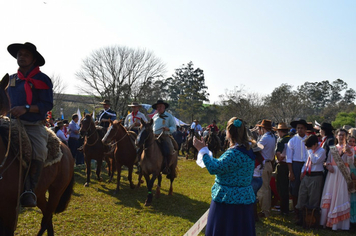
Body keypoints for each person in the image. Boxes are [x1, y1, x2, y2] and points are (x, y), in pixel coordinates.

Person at [7, 42, 53, 207]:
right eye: (20, 54)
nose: (22, 57)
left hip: (33, 125)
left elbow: (47, 105)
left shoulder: (43, 79)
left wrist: (25, 108)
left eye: (26, 54)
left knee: (39, 150)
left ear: (34, 59)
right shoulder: (10, 79)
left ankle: (29, 190)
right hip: (10, 122)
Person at [193, 117, 256, 236]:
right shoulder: (246, 150)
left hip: (228, 200)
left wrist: (202, 151)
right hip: (243, 198)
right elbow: (224, 165)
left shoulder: (234, 153)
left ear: (229, 133)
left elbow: (214, 168)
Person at [320, 129, 354, 230]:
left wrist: (348, 152)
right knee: (331, 194)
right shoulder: (332, 148)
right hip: (333, 174)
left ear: (346, 137)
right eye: (339, 135)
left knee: (341, 195)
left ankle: (340, 224)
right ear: (336, 136)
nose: (341, 137)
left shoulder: (350, 149)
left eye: (343, 135)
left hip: (343, 173)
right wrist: (327, 166)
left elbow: (351, 162)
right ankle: (328, 222)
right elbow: (328, 161)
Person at [295, 135, 325, 225]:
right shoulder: (309, 151)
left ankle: (311, 220)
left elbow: (315, 160)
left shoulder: (321, 151)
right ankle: (301, 218)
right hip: (307, 175)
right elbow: (306, 161)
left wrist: (310, 152)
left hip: (316, 176)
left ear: (315, 144)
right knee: (302, 196)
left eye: (310, 146)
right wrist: (302, 172)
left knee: (313, 198)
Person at [286, 119, 309, 219]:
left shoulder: (309, 140)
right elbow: (289, 158)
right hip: (295, 166)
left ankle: (304, 211)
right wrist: (291, 172)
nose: (300, 130)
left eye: (302, 128)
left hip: (307, 165)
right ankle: (296, 211)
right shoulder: (292, 141)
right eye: (298, 128)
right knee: (295, 189)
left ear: (305, 129)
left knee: (305, 189)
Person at [256, 119, 277, 218]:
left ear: (263, 128)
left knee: (263, 188)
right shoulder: (272, 137)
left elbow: (257, 149)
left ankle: (264, 211)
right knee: (267, 188)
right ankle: (266, 209)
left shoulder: (264, 138)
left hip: (264, 164)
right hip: (270, 163)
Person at [152, 100, 177, 174]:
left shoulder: (169, 116)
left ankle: (166, 166)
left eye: (160, 106)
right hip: (154, 136)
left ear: (164, 107)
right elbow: (151, 126)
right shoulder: (154, 116)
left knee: (169, 149)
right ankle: (141, 165)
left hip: (164, 136)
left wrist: (168, 129)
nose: (159, 108)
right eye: (157, 107)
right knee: (143, 146)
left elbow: (174, 128)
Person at [274, 122, 291, 216]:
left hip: (282, 165)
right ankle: (286, 208)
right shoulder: (292, 139)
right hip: (290, 165)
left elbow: (278, 155)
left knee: (281, 187)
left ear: (280, 131)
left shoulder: (281, 141)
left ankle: (283, 209)